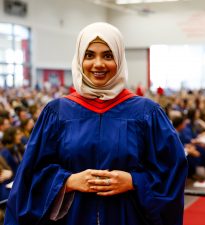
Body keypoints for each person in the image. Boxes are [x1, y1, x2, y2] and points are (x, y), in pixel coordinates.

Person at [4, 22, 188, 225]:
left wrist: (134, 181)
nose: (98, 64)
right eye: (89, 55)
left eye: (108, 56)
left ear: (119, 59)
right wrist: (68, 181)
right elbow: (30, 177)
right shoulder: (57, 113)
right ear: (79, 59)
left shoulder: (147, 113)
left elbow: (171, 172)